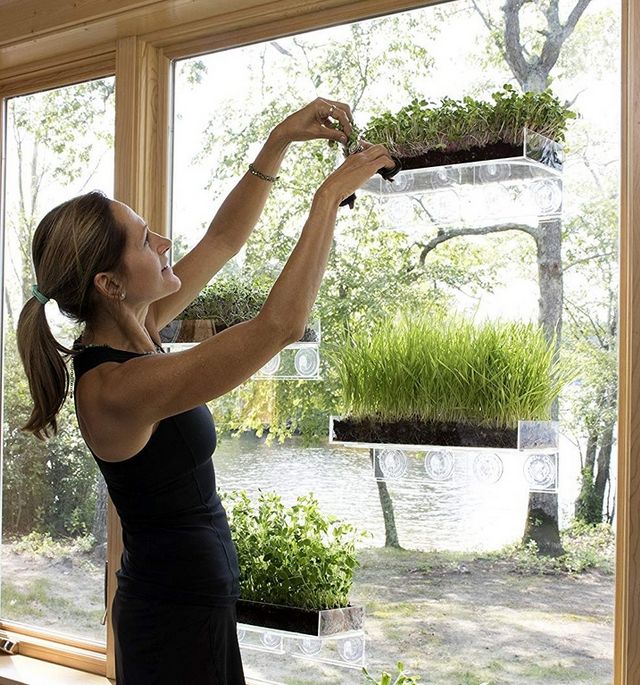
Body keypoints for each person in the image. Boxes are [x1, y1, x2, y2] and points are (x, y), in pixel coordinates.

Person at [16, 97, 394, 685]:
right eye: (146, 240)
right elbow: (279, 326)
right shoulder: (116, 387)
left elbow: (223, 239)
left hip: (192, 604)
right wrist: (327, 201)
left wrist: (279, 140)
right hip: (172, 620)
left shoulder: (142, 328)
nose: (164, 242)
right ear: (110, 284)